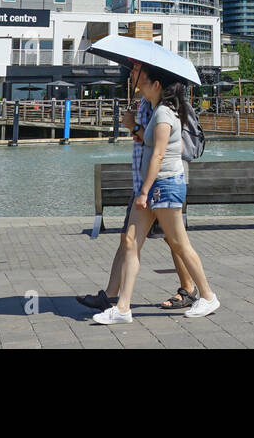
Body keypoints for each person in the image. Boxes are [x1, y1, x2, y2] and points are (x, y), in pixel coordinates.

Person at [93, 62, 219, 323]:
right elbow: (149, 143)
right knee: (130, 241)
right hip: (153, 188)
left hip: (163, 187)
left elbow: (158, 155)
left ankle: (207, 296)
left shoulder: (163, 114)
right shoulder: (153, 111)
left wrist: (144, 191)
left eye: (142, 77)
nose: (136, 79)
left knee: (179, 244)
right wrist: (134, 126)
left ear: (156, 85)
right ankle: (123, 308)